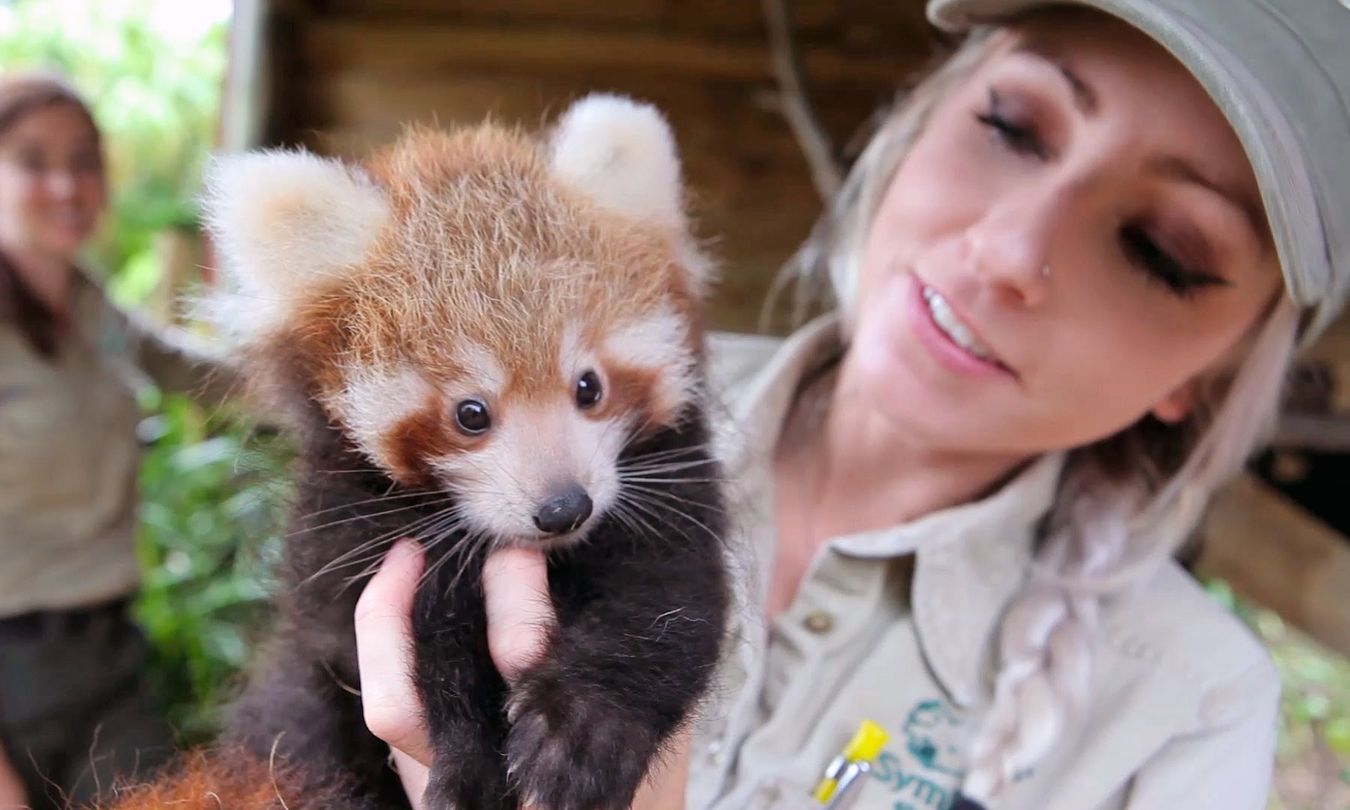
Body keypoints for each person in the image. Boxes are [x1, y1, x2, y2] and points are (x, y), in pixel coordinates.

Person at [352, 1, 1349, 808]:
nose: (1006, 252)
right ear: (916, 128)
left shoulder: (1188, 709)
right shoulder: (536, 428)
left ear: (1206, 379)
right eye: (1011, 126)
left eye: (1159, 249)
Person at [0, 72, 229, 809]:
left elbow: (199, 374)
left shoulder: (88, 303)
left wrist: (355, 374)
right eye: (34, 161)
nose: (66, 184)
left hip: (109, 663)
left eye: (84, 160)